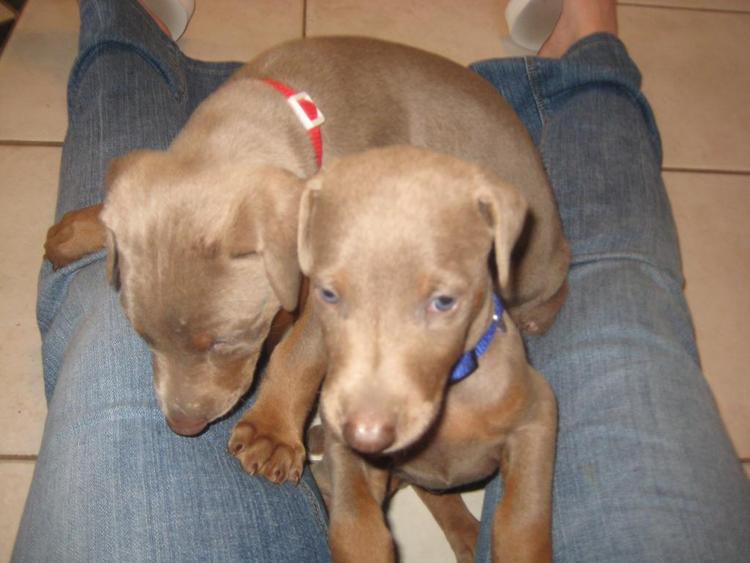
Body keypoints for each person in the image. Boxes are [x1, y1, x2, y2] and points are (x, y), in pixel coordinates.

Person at [12, 0, 750, 561]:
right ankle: (584, 52)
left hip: (519, 273)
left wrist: (278, 399)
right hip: (367, 195)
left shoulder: (340, 203)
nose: (183, 406)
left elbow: (336, 284)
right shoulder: (293, 173)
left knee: (606, 290)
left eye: (219, 345)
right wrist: (118, 222)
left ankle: (124, 29)